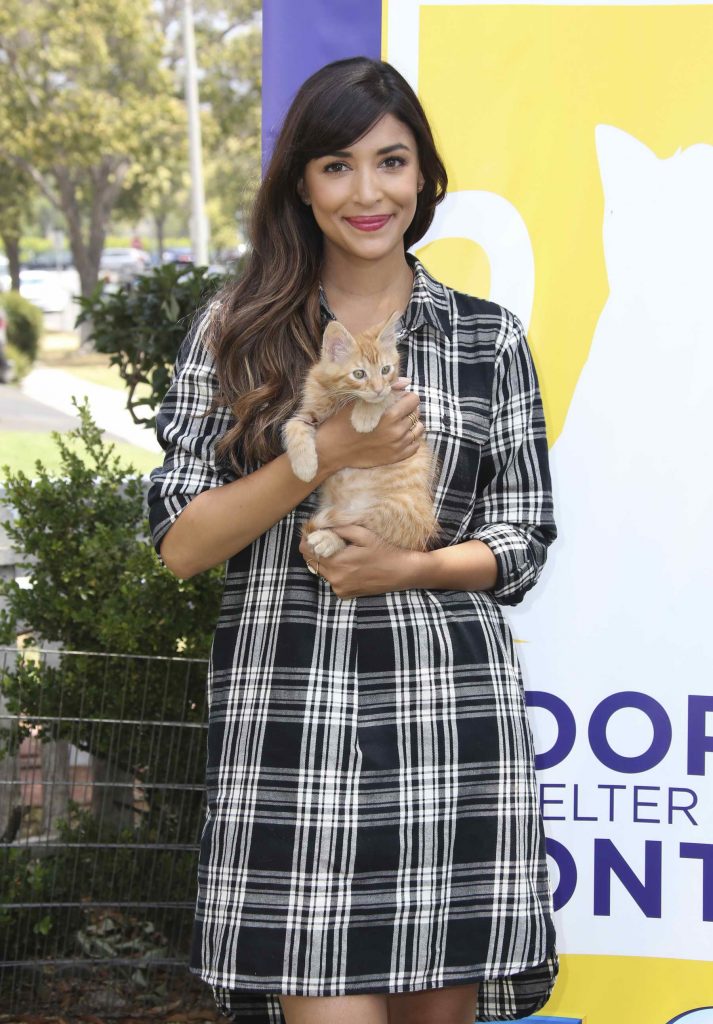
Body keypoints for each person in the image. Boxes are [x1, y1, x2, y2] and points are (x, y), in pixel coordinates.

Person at [147, 57, 558, 1024]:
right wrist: (326, 449)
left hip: (448, 730)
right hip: (293, 728)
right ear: (301, 181)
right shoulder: (234, 331)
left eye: (391, 162)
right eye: (337, 165)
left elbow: (527, 536)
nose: (367, 193)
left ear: (423, 179)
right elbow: (181, 541)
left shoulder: (483, 338)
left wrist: (407, 567)